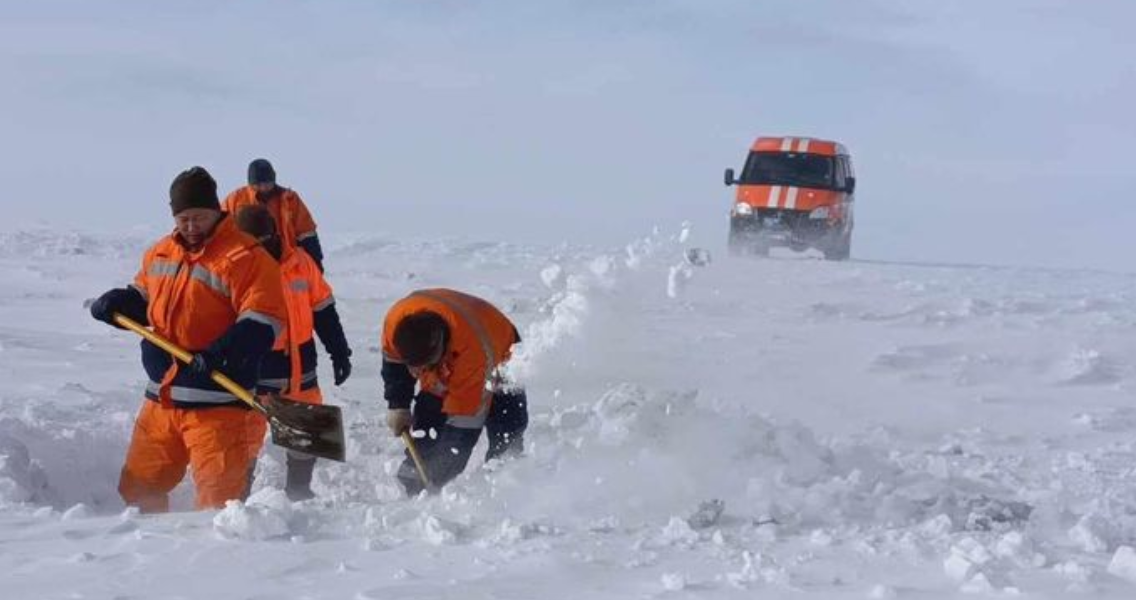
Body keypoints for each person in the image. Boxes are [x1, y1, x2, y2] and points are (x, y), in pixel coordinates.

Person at [89, 166, 288, 513]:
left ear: (217, 211)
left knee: (218, 506)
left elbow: (263, 320)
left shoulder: (246, 257)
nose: (192, 226)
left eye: (199, 217)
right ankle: (143, 558)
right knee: (138, 490)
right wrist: (119, 304)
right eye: (183, 219)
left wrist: (221, 353)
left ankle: (211, 566)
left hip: (219, 404)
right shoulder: (161, 253)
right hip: (162, 399)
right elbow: (144, 297)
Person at [234, 205, 352, 501]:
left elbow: (324, 310)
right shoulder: (232, 266)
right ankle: (238, 501)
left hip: (300, 363)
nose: (256, 250)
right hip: (253, 364)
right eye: (249, 244)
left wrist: (340, 352)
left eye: (260, 242)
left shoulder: (301, 262)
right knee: (242, 439)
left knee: (309, 434)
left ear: (273, 235)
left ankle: (300, 491)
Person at [380, 289, 528, 495]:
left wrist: (439, 475)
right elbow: (393, 364)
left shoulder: (473, 356)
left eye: (424, 367)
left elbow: (463, 429)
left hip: (500, 349)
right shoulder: (395, 322)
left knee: (507, 429)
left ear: (440, 350)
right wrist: (398, 405)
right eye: (415, 368)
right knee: (429, 418)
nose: (417, 373)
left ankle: (504, 488)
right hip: (459, 344)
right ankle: (410, 484)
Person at [223, 158, 325, 270]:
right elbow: (222, 232)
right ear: (250, 183)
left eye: (267, 183)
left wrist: (316, 260)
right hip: (248, 264)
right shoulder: (235, 200)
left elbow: (306, 232)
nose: (264, 188)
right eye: (258, 184)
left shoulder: (290, 199)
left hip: (286, 262)